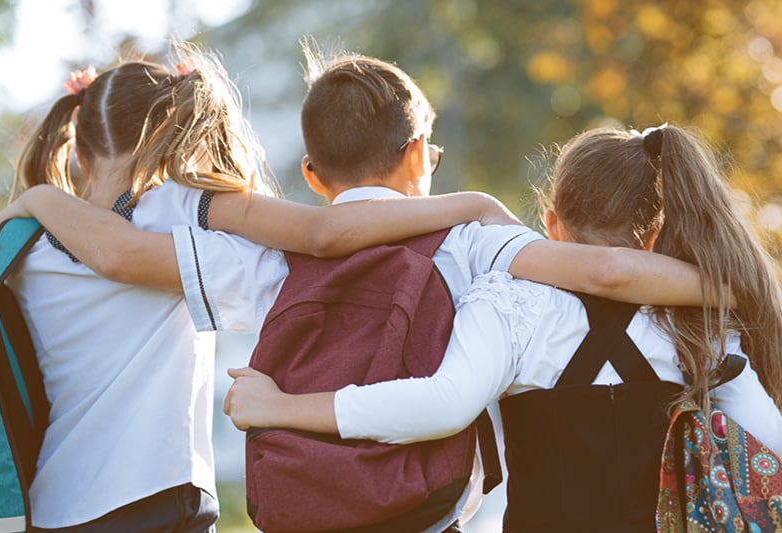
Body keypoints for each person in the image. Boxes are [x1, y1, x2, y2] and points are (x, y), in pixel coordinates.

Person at [0, 45, 716, 531]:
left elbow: (132, 254)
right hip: (436, 507)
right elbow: (603, 271)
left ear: (312, 174)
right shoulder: (472, 240)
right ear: (416, 156)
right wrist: (731, 286)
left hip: (295, 502)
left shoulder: (258, 264)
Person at [222, 124, 782, 531]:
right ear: (657, 233)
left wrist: (281, 407)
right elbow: (770, 445)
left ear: (551, 222)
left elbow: (441, 406)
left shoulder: (509, 305)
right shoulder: (700, 323)